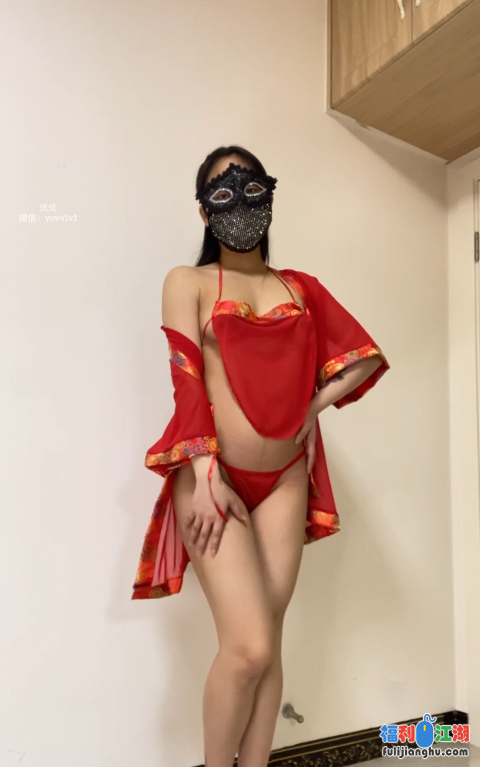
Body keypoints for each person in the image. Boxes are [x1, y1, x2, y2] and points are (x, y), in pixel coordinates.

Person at [132, 145, 390, 767]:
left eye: (252, 190)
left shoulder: (299, 287)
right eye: (222, 194)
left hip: (286, 479)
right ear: (204, 211)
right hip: (212, 474)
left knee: (268, 643)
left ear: (270, 197)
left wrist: (312, 408)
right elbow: (186, 380)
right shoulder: (187, 281)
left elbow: (363, 358)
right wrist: (203, 471)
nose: (240, 204)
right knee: (246, 648)